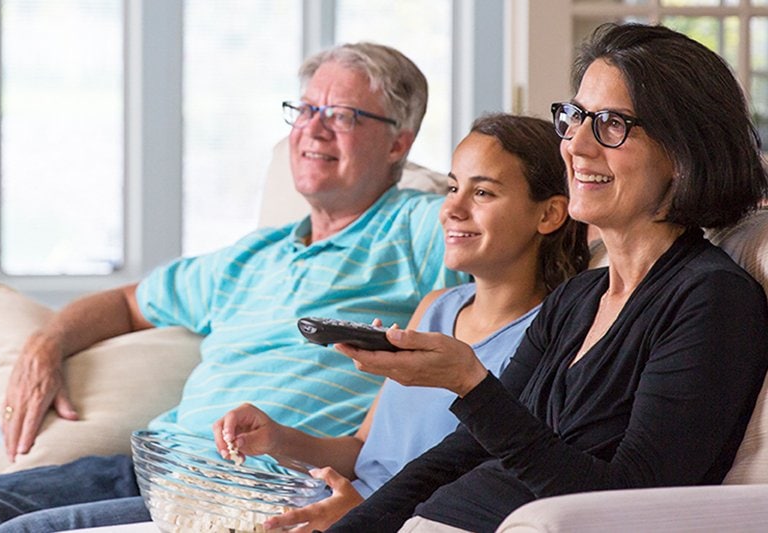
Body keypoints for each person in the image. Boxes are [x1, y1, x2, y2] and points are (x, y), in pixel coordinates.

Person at [0, 42, 467, 532]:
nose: (312, 130)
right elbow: (125, 303)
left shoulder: (422, 228)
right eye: (305, 109)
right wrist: (46, 344)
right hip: (150, 468)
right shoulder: (251, 255)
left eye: (341, 115)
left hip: (261, 486)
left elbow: (505, 255)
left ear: (399, 140)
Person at [329, 23, 768, 532]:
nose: (576, 145)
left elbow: (630, 501)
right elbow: (457, 455)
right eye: (575, 117)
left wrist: (471, 384)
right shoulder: (579, 297)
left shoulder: (711, 300)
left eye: (610, 123)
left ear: (682, 151)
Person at [210, 113, 590, 532]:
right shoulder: (436, 307)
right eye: (452, 188)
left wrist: (366, 514)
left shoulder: (553, 336)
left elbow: (491, 491)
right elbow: (361, 452)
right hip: (325, 510)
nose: (452, 209)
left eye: (482, 192)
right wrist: (277, 439)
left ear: (550, 214)